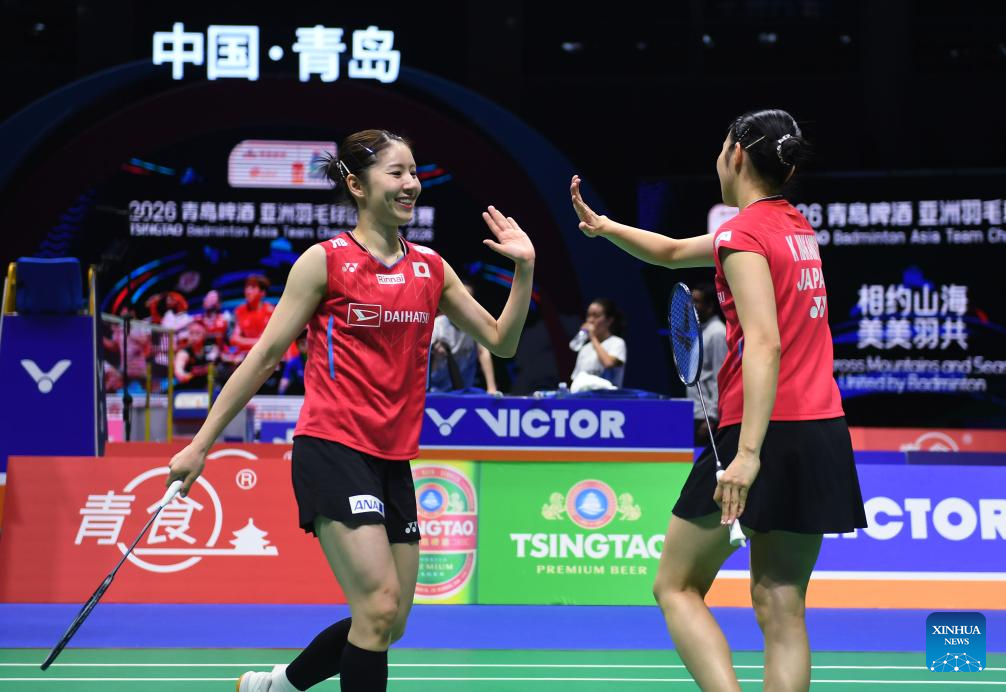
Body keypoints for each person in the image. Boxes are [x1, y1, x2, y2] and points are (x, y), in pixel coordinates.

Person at [167, 129, 535, 692]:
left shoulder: (431, 268)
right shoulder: (325, 262)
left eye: (414, 171)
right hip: (332, 446)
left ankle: (277, 686)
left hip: (393, 458)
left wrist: (524, 269)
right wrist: (200, 446)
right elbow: (265, 357)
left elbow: (501, 342)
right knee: (379, 605)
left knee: (390, 620)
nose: (411, 184)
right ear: (357, 186)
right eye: (396, 172)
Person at [571, 108, 866, 692]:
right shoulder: (793, 229)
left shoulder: (743, 234)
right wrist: (606, 227)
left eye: (720, 146)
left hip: (759, 432)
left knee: (675, 586)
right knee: (782, 604)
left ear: (735, 154)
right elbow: (672, 252)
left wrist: (748, 454)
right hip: (819, 427)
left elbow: (764, 341)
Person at [428, 280, 499, 393]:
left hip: (464, 389)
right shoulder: (438, 325)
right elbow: (425, 359)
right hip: (437, 389)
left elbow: (483, 352)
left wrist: (491, 388)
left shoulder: (476, 325)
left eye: (469, 299)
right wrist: (435, 353)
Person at [689, 283, 728, 446]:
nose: (691, 306)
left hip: (707, 418)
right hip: (696, 412)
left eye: (696, 302)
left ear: (710, 306)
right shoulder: (700, 332)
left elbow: (721, 376)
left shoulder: (717, 333)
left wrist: (712, 417)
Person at [569, 298, 626, 388]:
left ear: (609, 320)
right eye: (588, 315)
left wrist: (593, 337)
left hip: (609, 395)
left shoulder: (617, 342)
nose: (590, 320)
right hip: (587, 395)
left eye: (596, 316)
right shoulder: (585, 349)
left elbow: (608, 364)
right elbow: (576, 380)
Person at [229, 274, 274, 360]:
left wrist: (243, 342)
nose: (248, 291)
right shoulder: (239, 311)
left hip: (266, 356)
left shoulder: (270, 311)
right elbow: (234, 339)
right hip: (246, 356)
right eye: (247, 287)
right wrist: (258, 342)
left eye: (253, 287)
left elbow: (271, 341)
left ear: (262, 293)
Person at [173, 321, 211, 390]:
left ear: (205, 334)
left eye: (197, 333)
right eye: (191, 333)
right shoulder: (183, 353)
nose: (194, 336)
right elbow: (179, 371)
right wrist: (186, 375)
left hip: (205, 390)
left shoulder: (210, 349)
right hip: (187, 390)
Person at [279, 331, 308, 395]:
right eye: (302, 342)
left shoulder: (320, 361)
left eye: (306, 341)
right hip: (298, 395)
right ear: (297, 346)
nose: (305, 344)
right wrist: (280, 397)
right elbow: (284, 382)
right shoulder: (292, 363)